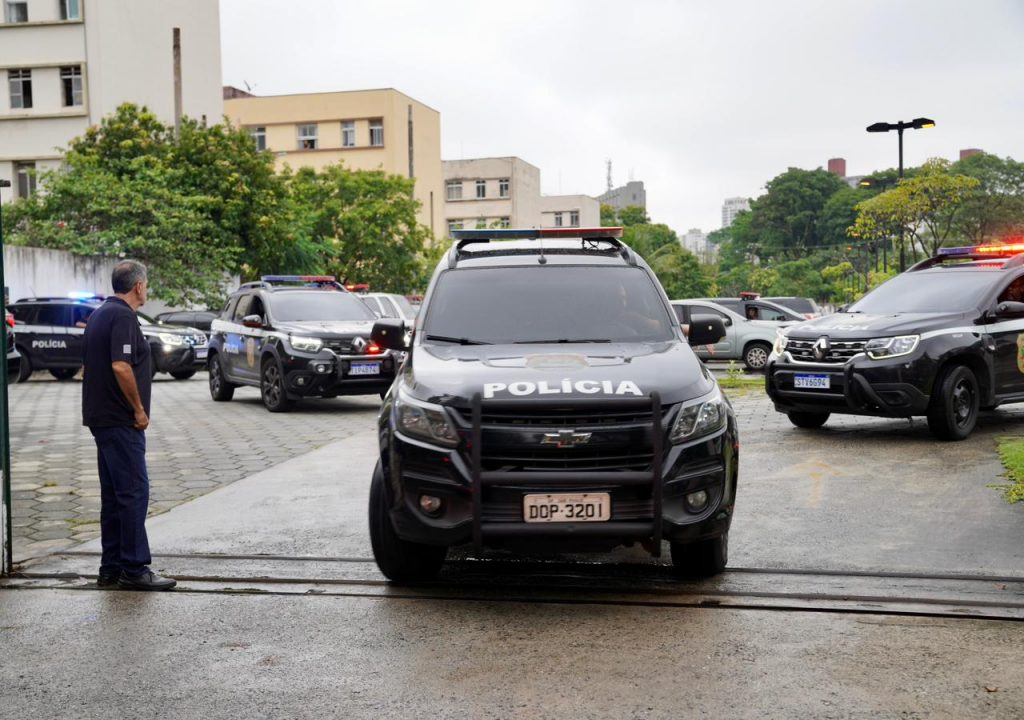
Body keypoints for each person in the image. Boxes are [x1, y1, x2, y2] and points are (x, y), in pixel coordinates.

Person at [82, 260, 176, 591]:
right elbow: (121, 366)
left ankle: (111, 568)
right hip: (121, 419)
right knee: (134, 491)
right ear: (138, 286)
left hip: (101, 418)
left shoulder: (98, 315)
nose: (146, 289)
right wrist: (138, 410)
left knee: (114, 495)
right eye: (146, 285)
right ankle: (135, 568)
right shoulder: (122, 316)